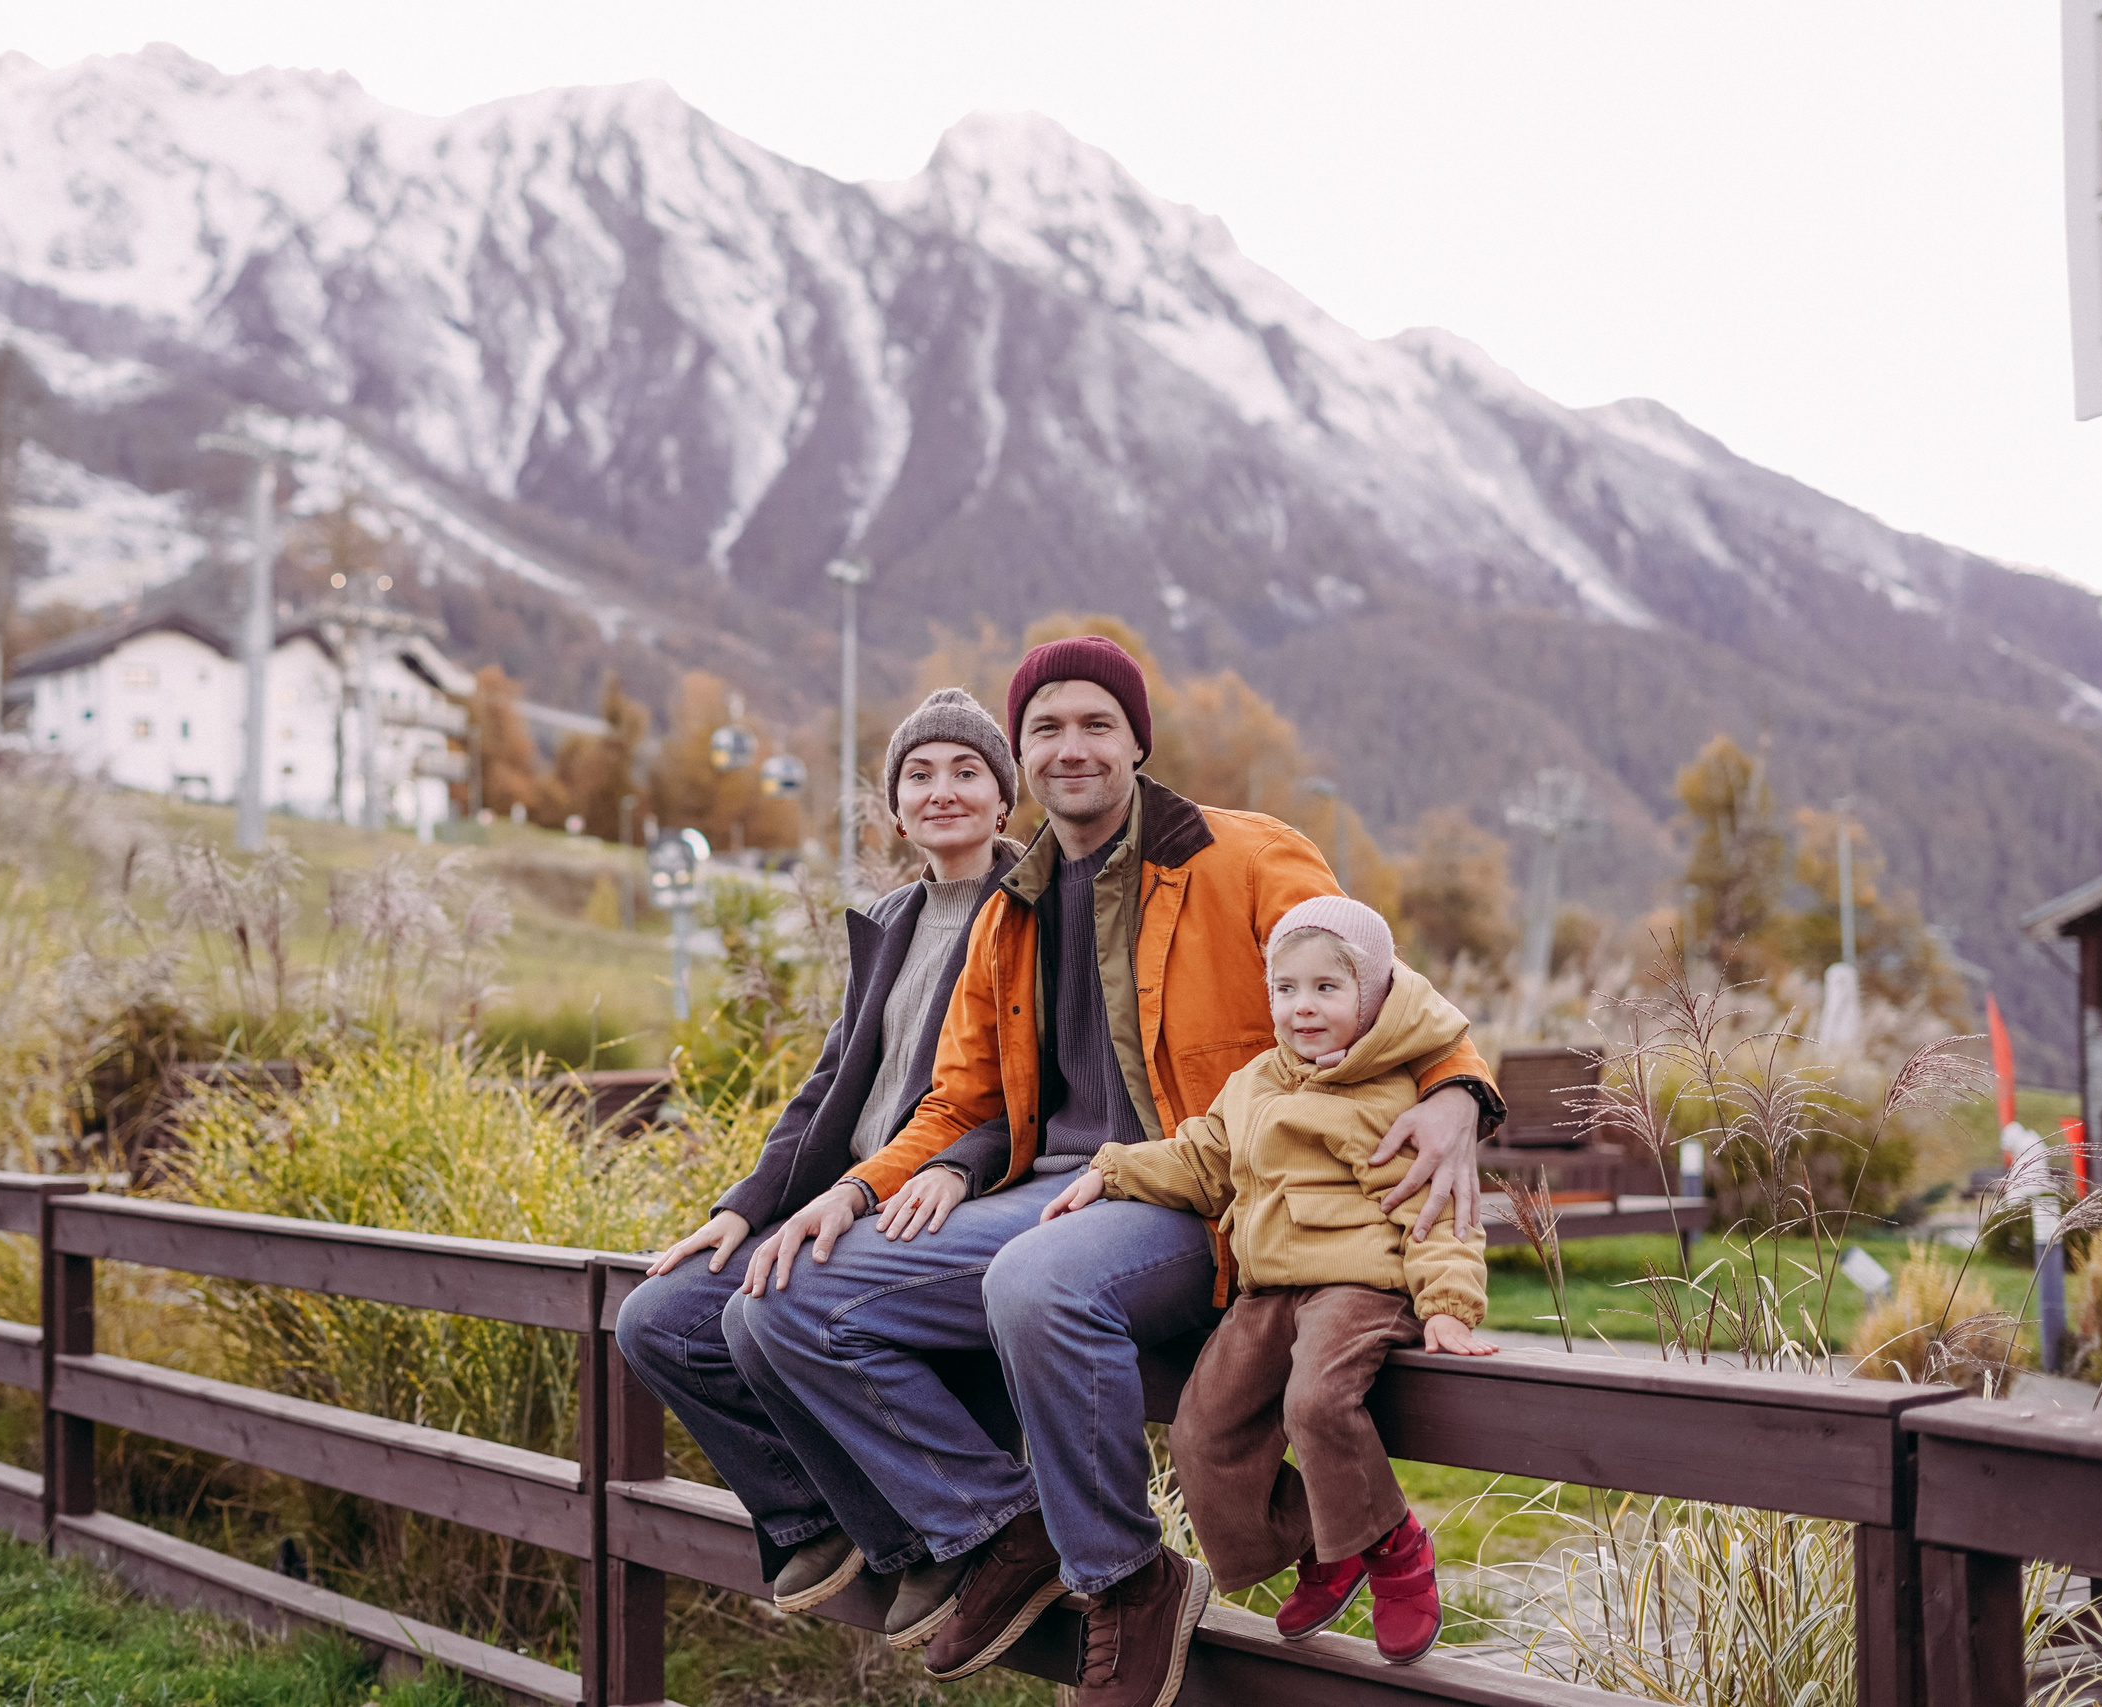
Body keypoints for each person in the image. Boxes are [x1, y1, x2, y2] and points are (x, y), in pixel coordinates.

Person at [744, 636, 1501, 1707]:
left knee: (1038, 1280)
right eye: (1046, 727)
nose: (1073, 747)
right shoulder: (1009, 907)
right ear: (1021, 755)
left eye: (1097, 723)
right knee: (783, 1302)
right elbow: (958, 1101)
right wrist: (852, 1192)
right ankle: (1001, 1530)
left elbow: (1376, 984)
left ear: (1137, 741)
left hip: (1206, 1193)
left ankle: (1125, 1579)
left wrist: (1459, 1091)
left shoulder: (1244, 855)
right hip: (1055, 1191)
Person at [613, 688, 1025, 1651]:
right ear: (897, 808)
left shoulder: (1033, 912)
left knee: (775, 1311)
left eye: (967, 771)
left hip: (928, 1198)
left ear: (1005, 798)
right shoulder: (889, 917)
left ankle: (945, 1531)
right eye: (919, 775)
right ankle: (822, 1515)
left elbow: (1039, 1088)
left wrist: (958, 1165)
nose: (943, 790)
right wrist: (744, 1206)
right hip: (840, 1193)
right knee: (658, 1320)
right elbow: (831, 1081)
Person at [1043, 895, 1497, 1665]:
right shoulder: (1256, 1080)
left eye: (1327, 987)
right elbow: (1202, 1159)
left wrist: (1448, 1305)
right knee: (1202, 1431)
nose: (1302, 1006)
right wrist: (1112, 1170)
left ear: (1375, 994)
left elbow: (1438, 1210)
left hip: (1358, 1286)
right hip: (1269, 1290)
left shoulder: (1391, 1094)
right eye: (1286, 988)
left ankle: (1394, 1548)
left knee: (1315, 1401)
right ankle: (1324, 1537)